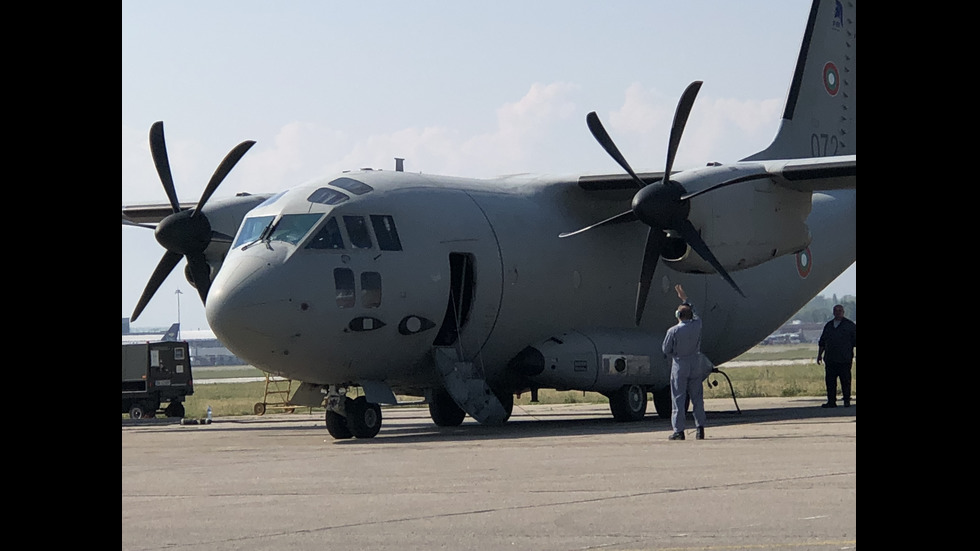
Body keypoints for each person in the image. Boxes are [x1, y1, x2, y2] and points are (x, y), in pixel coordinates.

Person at [662, 284, 706, 440]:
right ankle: (700, 428)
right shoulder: (697, 325)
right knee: (697, 398)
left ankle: (679, 431)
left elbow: (665, 349)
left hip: (680, 364)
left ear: (678, 315)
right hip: (695, 363)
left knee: (678, 398)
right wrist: (685, 299)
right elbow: (697, 312)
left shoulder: (673, 331)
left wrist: (675, 353)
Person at [816, 304, 856, 408]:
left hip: (844, 359)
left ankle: (846, 400)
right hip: (830, 359)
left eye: (840, 310)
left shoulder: (850, 325)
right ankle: (831, 401)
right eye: (836, 310)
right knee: (830, 382)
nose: (838, 312)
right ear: (833, 312)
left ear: (843, 312)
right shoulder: (829, 326)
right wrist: (819, 355)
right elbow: (822, 341)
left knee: (845, 381)